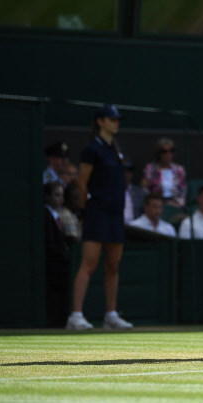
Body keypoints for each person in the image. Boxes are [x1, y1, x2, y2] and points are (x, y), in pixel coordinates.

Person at [67, 105, 133, 331]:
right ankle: (75, 316)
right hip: (96, 211)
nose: (116, 123)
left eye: (117, 120)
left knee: (113, 265)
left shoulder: (116, 148)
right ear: (100, 121)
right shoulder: (91, 149)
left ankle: (111, 315)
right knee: (89, 263)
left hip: (116, 213)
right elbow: (82, 182)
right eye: (111, 119)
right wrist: (84, 211)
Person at [44, 182, 70, 328]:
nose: (60, 199)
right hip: (53, 265)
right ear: (47, 196)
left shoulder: (58, 215)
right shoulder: (46, 216)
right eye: (56, 195)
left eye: (62, 195)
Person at [141, 138, 186, 208]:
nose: (168, 154)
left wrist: (178, 204)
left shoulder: (179, 170)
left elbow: (183, 191)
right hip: (155, 205)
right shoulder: (150, 169)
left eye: (171, 151)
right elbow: (144, 189)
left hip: (175, 205)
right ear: (159, 153)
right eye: (164, 151)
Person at [124, 157, 145, 224]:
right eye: (124, 169)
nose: (126, 173)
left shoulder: (140, 194)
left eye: (129, 170)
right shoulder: (110, 191)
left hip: (134, 231)